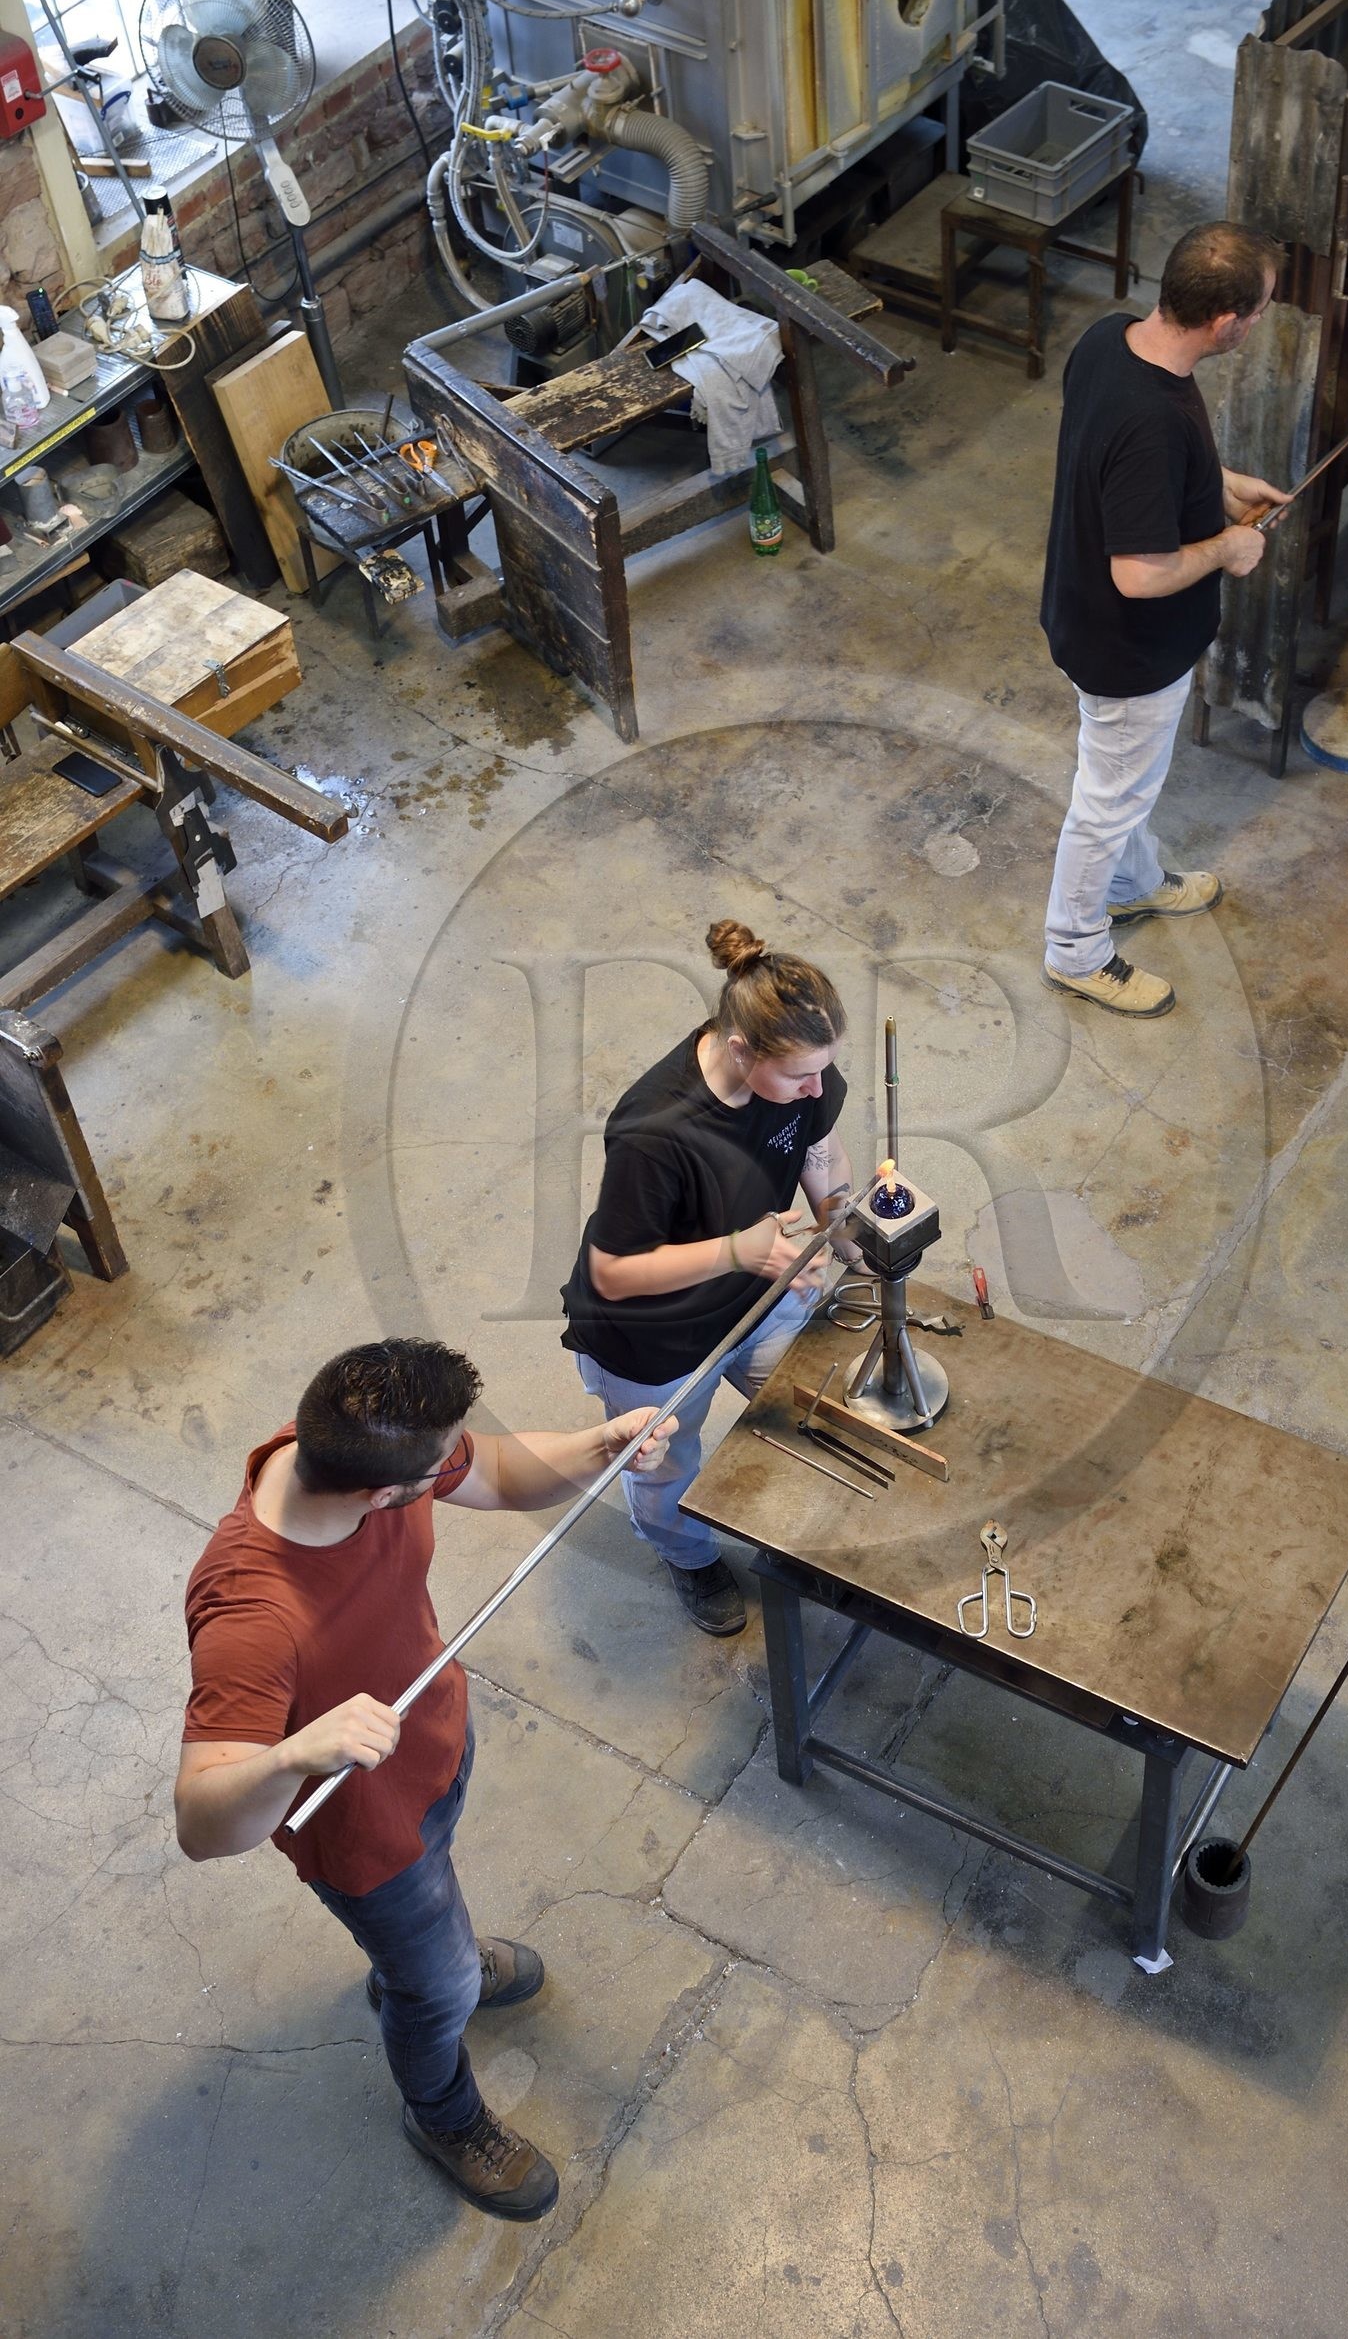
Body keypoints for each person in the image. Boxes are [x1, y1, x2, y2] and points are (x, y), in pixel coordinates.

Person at [174, 1338, 673, 2219]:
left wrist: (598, 1446)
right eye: (438, 1462)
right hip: (366, 1832)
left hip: (430, 1746)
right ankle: (442, 2115)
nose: (453, 1464)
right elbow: (201, 1827)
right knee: (433, 1991)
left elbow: (501, 1472)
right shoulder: (249, 1615)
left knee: (435, 1925)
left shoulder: (355, 1444)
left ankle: (434, 1957)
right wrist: (293, 1754)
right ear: (382, 1496)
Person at [562, 919, 861, 1638]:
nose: (816, 1087)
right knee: (667, 1463)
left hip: (759, 1296)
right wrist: (739, 1252)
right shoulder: (657, 1131)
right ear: (739, 1049)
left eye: (822, 1070)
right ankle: (688, 1555)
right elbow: (613, 1273)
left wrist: (848, 1227)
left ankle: (803, 1534)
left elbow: (819, 1147)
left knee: (818, 1406)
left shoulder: (801, 1071)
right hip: (654, 1342)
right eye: (799, 1076)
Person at [1039, 221, 1290, 1020]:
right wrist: (1228, 548)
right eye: (1260, 311)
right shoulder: (1154, 420)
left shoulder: (1111, 339)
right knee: (1108, 800)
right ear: (1227, 322)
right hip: (1127, 647)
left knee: (1127, 784)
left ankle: (1134, 883)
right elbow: (1139, 572)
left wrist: (1218, 484)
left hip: (1090, 616)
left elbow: (1119, 465)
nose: (1259, 323)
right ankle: (1075, 949)